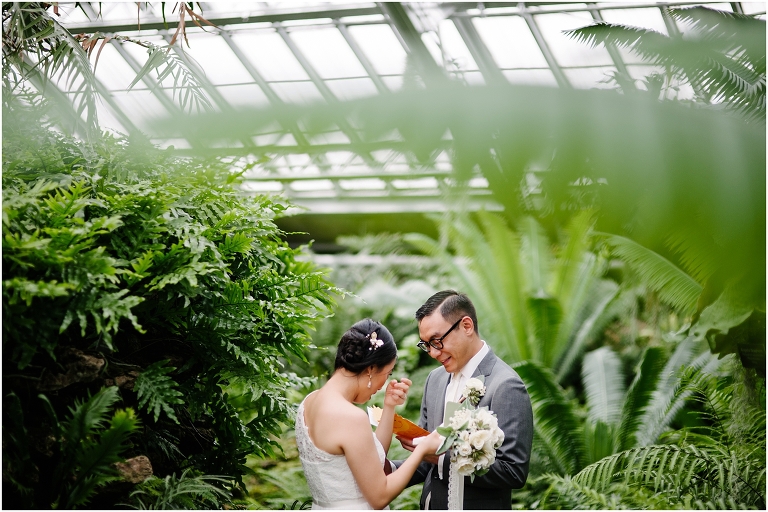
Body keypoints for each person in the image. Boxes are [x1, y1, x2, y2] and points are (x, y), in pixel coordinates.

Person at [392, 290, 534, 509]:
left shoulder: (505, 386)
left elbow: (513, 472)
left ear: (466, 326)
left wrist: (441, 457)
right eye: (426, 344)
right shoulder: (435, 379)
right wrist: (388, 469)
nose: (432, 352)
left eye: (436, 341)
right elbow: (427, 463)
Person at [296, 318, 442, 510]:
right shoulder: (350, 417)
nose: (384, 384)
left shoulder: (309, 402)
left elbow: (369, 458)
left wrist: (389, 407)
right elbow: (379, 497)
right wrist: (422, 450)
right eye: (388, 374)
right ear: (371, 369)